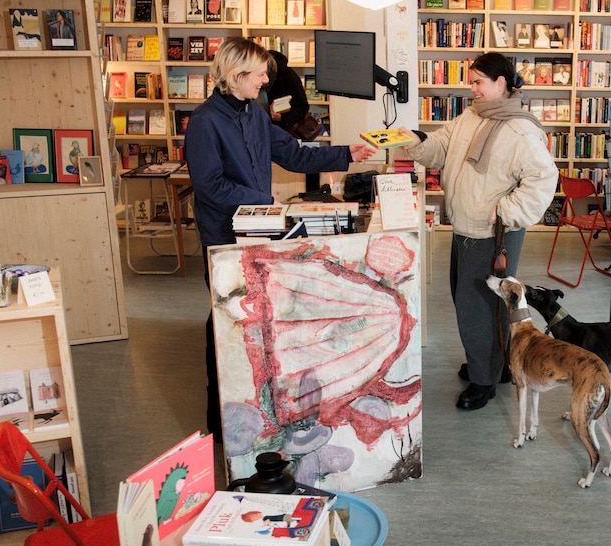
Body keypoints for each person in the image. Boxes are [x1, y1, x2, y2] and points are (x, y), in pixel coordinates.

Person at [185, 37, 375, 437]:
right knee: (223, 319)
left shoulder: (253, 113)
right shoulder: (204, 122)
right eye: (259, 73)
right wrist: (262, 199)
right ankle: (219, 419)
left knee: (256, 313)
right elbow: (210, 187)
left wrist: (345, 154)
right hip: (223, 237)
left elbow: (293, 154)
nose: (266, 80)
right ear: (236, 75)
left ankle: (258, 406)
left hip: (259, 230)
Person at [399, 52, 558, 410]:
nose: (472, 89)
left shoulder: (519, 129)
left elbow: (544, 178)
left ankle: (483, 381)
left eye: (478, 82)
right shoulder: (472, 115)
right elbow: (441, 149)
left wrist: (506, 212)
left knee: (478, 309)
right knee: (478, 303)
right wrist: (416, 141)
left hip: (492, 232)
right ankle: (494, 365)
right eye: (471, 81)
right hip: (466, 228)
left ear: (501, 83)